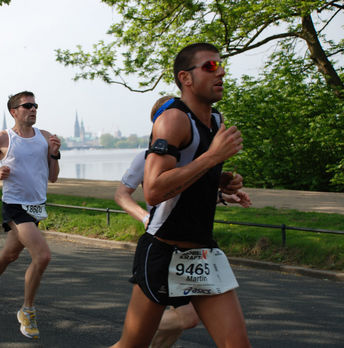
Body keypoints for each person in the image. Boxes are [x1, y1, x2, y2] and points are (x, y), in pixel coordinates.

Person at [111, 43, 252, 348]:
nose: (222, 72)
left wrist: (223, 181)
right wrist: (212, 159)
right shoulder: (173, 120)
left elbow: (193, 173)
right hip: (164, 250)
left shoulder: (216, 121)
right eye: (210, 67)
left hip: (201, 253)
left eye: (221, 65)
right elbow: (154, 189)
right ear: (186, 78)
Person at [0, 91, 60, 339]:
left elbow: (53, 176)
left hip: (37, 205)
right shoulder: (2, 137)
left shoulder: (44, 137)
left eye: (35, 105)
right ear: (14, 111)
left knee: (10, 254)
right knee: (42, 256)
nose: (33, 109)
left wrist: (53, 153)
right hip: (15, 205)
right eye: (27, 105)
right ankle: (27, 310)